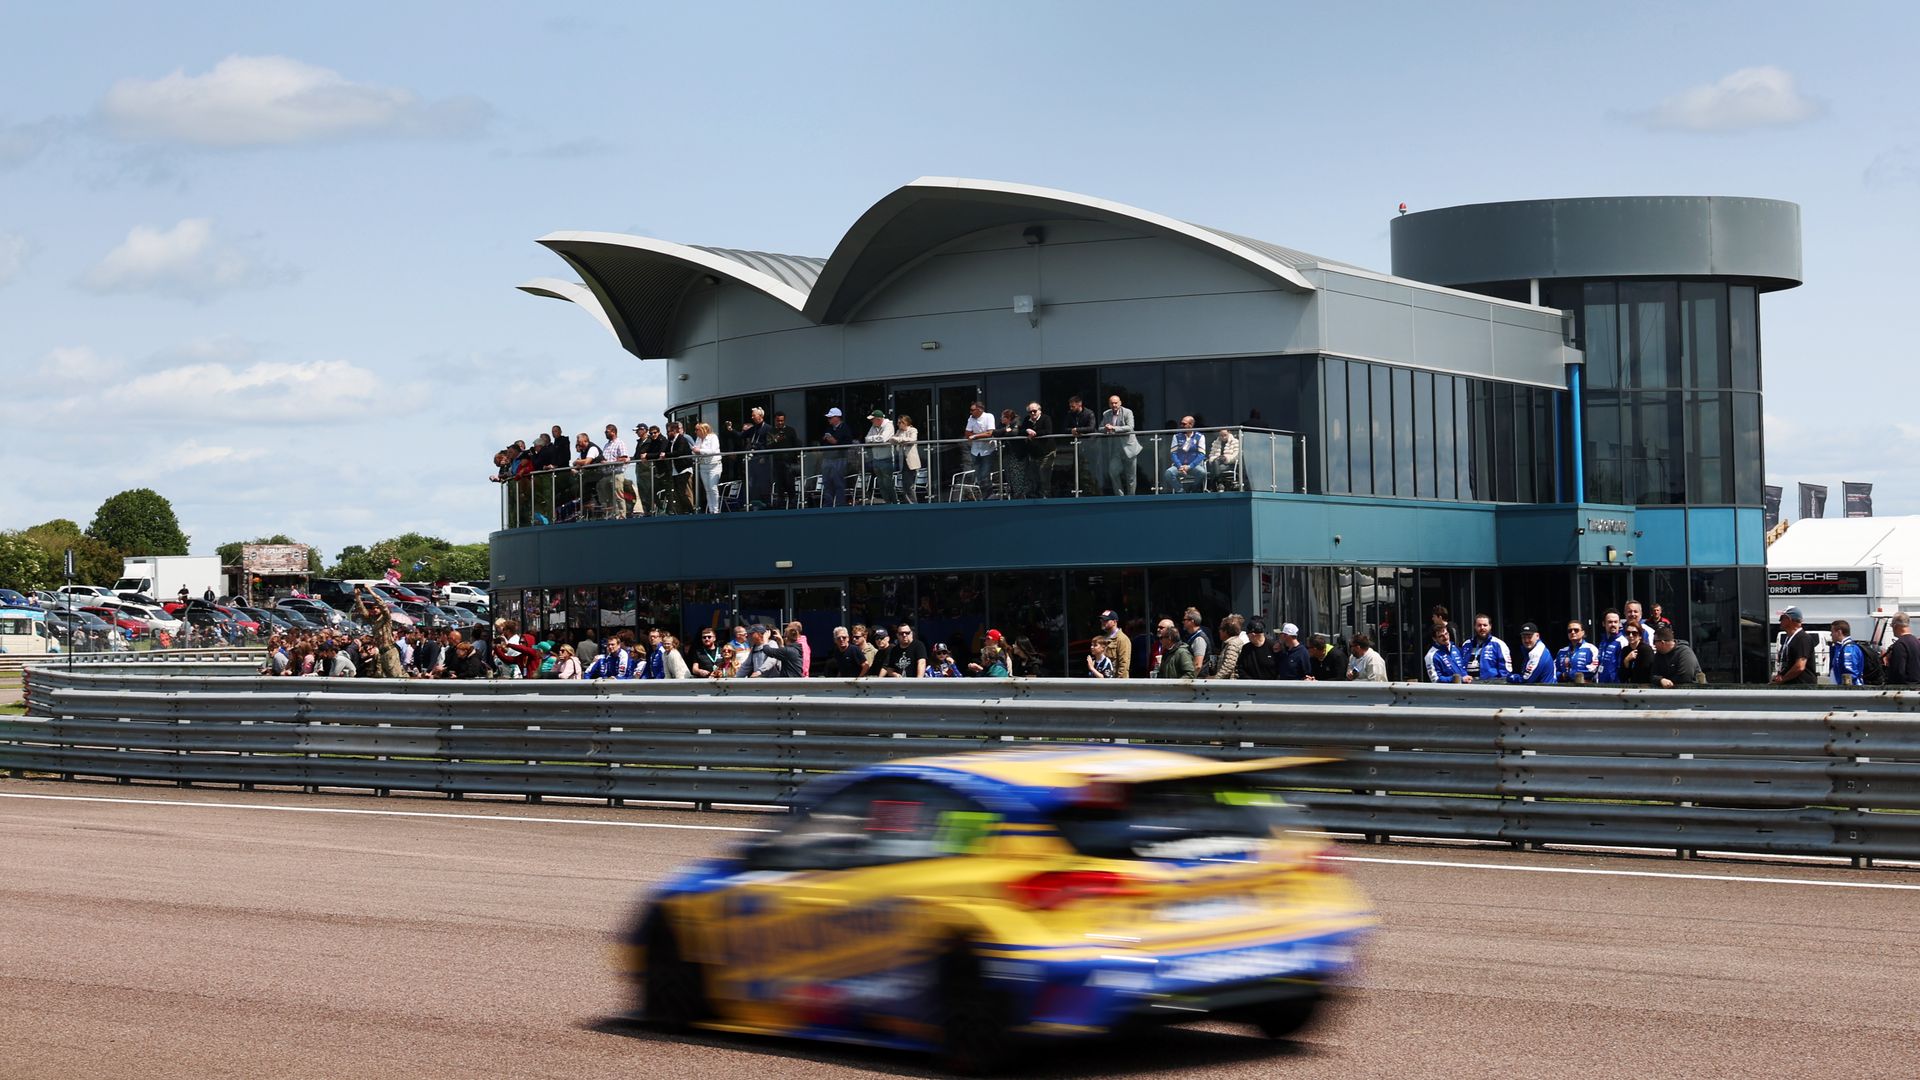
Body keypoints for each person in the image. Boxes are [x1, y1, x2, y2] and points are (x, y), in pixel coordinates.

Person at [1100, 393, 1141, 496]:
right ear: (1109, 404)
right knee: (1113, 472)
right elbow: (1100, 428)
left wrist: (1114, 428)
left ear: (1120, 403)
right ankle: (1120, 497)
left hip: (1129, 448)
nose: (1114, 405)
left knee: (1131, 477)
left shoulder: (1127, 412)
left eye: (1116, 403)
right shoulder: (1106, 414)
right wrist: (1105, 428)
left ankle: (1131, 498)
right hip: (1115, 450)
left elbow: (1130, 427)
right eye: (1112, 403)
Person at [1061, 395, 1098, 496]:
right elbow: (1064, 429)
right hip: (1078, 445)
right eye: (1070, 406)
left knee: (1091, 468)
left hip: (1090, 445)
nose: (1071, 408)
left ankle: (1094, 491)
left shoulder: (1089, 413)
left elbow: (1091, 428)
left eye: (1073, 406)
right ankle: (1081, 490)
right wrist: (1073, 431)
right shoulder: (1070, 414)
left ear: (1079, 404)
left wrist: (1077, 430)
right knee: (1079, 468)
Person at [1771, 606, 1816, 687]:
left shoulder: (1802, 638)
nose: (1779, 621)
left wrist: (1783, 679)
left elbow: (1800, 666)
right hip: (1792, 686)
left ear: (1789, 619)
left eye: (1782, 618)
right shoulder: (1789, 638)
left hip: (1802, 688)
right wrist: (1780, 675)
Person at [819, 408, 855, 507]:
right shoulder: (828, 429)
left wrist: (835, 442)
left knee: (838, 481)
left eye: (830, 417)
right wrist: (825, 440)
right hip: (827, 458)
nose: (829, 419)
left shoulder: (845, 428)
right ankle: (828, 504)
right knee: (827, 482)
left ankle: (840, 504)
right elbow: (823, 442)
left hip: (840, 459)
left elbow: (847, 443)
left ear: (837, 417)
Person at [1019, 402, 1054, 499]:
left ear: (1039, 411)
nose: (1032, 414)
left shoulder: (1046, 418)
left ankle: (1046, 496)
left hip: (1046, 452)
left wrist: (1034, 433)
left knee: (1044, 474)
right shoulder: (1027, 420)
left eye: (1034, 411)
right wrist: (1027, 431)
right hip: (1033, 453)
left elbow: (1048, 431)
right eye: (1030, 412)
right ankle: (1036, 496)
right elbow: (1020, 430)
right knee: (1034, 476)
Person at [1163, 415, 1207, 492]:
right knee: (1168, 473)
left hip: (1193, 466)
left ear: (1191, 425)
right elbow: (1173, 453)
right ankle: (1181, 491)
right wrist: (1180, 466)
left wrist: (1190, 466)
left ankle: (1193, 490)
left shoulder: (1200, 436)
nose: (1181, 426)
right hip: (1179, 466)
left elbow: (1201, 455)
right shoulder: (1176, 436)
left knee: (1202, 473)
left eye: (1184, 424)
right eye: (1181, 423)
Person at [739, 406, 771, 509]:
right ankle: (751, 503)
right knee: (751, 482)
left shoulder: (768, 428)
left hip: (762, 460)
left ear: (760, 416)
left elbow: (769, 445)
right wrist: (730, 430)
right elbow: (741, 436)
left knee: (762, 482)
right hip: (752, 460)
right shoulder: (753, 429)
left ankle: (765, 503)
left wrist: (764, 455)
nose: (752, 417)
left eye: (754, 415)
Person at [862, 410, 897, 503]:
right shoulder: (873, 426)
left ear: (878, 419)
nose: (871, 421)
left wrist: (873, 439)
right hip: (876, 459)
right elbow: (866, 439)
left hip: (886, 459)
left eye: (872, 419)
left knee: (888, 484)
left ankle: (894, 503)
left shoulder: (889, 426)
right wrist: (876, 438)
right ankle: (888, 503)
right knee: (881, 484)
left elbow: (883, 439)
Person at [962, 401, 995, 499]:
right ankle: (985, 495)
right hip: (975, 451)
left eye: (972, 410)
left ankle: (988, 495)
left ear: (979, 410)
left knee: (985, 474)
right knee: (978, 475)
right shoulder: (971, 419)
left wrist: (975, 435)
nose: (970, 412)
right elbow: (967, 433)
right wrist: (980, 435)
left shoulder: (989, 416)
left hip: (987, 450)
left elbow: (990, 433)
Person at [1464, 613, 1510, 683]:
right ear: (1474, 627)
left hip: (1491, 686)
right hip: (1469, 685)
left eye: (1485, 625)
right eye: (1479, 625)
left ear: (1490, 626)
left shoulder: (1499, 644)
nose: (1482, 628)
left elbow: (1505, 670)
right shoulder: (1466, 644)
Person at [767, 411, 800, 508]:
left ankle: (792, 501)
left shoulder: (790, 430)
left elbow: (796, 444)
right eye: (778, 421)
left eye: (782, 421)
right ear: (775, 420)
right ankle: (780, 502)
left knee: (790, 482)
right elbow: (768, 446)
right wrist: (776, 440)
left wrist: (796, 457)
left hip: (789, 461)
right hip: (777, 461)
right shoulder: (771, 432)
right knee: (779, 482)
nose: (780, 423)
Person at [599, 423, 632, 519]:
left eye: (607, 431)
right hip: (607, 474)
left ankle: (621, 516)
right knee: (607, 496)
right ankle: (611, 515)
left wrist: (608, 462)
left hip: (617, 473)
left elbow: (624, 458)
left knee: (618, 496)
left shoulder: (620, 443)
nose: (605, 433)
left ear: (613, 432)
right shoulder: (606, 445)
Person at [690, 421, 723, 513]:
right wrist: (695, 451)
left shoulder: (713, 437)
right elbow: (695, 451)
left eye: (697, 429)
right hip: (703, 465)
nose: (695, 432)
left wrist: (699, 450)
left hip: (714, 465)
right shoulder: (698, 439)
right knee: (707, 489)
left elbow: (712, 451)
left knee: (713, 487)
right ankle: (711, 509)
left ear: (703, 429)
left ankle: (716, 509)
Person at [1205, 614, 1247, 680]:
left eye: (1220, 629)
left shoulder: (1233, 644)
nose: (1219, 631)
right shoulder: (1229, 643)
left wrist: (1215, 679)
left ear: (1226, 631)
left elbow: (1228, 666)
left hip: (1231, 684)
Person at [891, 414, 922, 503]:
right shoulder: (899, 431)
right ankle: (909, 503)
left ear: (906, 423)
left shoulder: (913, 430)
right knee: (905, 485)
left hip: (911, 462)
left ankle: (913, 504)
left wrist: (900, 440)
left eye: (900, 422)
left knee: (909, 485)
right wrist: (902, 440)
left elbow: (912, 439)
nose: (898, 424)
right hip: (903, 461)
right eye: (898, 422)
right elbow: (892, 440)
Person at [1829, 619, 1866, 687]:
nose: (1831, 634)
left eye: (1832, 632)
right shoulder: (1842, 647)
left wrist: (1846, 691)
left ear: (1839, 632)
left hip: (1852, 691)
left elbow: (1850, 674)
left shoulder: (1848, 648)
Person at [1095, 609, 1132, 678]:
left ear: (1114, 622)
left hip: (1114, 683)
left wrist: (1118, 685)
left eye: (1106, 620)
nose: (1102, 622)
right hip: (1103, 682)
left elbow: (1124, 665)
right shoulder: (1103, 638)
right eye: (1101, 620)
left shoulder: (1122, 639)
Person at [1595, 610, 1628, 684]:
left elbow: (1624, 668)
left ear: (1619, 624)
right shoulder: (1603, 641)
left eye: (1616, 622)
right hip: (1602, 683)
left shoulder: (1623, 642)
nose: (1613, 624)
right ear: (1604, 623)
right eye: (1610, 622)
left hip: (1616, 686)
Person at [1888, 614, 1920, 686]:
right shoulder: (1917, 642)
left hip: (1906, 689)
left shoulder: (1900, 644)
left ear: (1895, 626)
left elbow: (1898, 671)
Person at [1180, 607, 1211, 671]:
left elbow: (1197, 665)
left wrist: (1188, 679)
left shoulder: (1199, 639)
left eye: (1184, 620)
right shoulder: (1192, 636)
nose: (1183, 622)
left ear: (1192, 621)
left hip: (1198, 678)